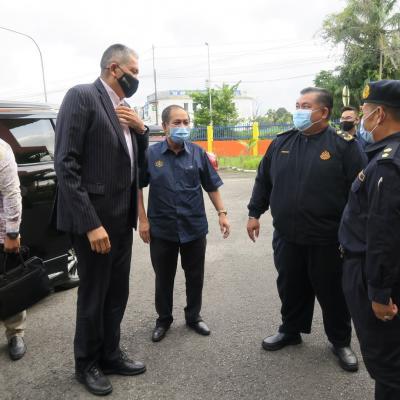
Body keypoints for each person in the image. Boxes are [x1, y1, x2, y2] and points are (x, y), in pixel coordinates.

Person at [246, 87, 365, 372]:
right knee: (290, 285)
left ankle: (340, 341)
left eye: (305, 105)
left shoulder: (344, 145)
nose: (298, 110)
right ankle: (291, 330)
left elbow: (359, 193)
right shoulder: (282, 143)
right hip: (287, 235)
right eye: (297, 104)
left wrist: (356, 234)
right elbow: (264, 180)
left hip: (328, 238)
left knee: (332, 291)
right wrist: (254, 213)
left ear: (323, 112)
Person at [54, 44, 148, 396]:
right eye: (134, 71)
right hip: (95, 223)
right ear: (114, 68)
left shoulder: (125, 110)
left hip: (121, 221)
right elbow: (66, 165)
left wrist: (141, 129)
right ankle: (86, 363)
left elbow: (138, 167)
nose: (137, 78)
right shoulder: (82, 97)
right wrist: (91, 223)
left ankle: (110, 353)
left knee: (117, 293)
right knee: (93, 295)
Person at [138, 105, 230, 342]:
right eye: (177, 123)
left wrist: (222, 212)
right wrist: (143, 220)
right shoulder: (151, 154)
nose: (182, 127)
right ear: (165, 125)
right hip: (162, 228)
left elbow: (211, 185)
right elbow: (137, 187)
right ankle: (164, 319)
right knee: (164, 277)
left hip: (194, 227)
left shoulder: (198, 154)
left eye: (186, 122)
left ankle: (193, 316)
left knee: (195, 275)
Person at [339, 80, 400, 399]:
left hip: (371, 273)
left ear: (379, 114)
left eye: (363, 110)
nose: (359, 117)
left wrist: (378, 293)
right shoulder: (384, 155)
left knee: (387, 365)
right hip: (373, 270)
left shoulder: (388, 163)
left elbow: (383, 234)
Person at [0, 138, 26, 361]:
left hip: (1, 234)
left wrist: (11, 233)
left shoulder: (0, 149)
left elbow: (11, 193)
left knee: (9, 284)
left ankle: (15, 333)